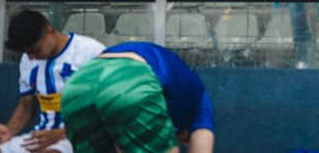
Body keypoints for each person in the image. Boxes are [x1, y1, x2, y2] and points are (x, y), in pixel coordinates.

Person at [0, 10, 105, 153]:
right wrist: (9, 131)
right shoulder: (28, 59)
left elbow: (105, 108)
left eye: (35, 50)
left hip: (81, 137)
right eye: (26, 52)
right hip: (41, 136)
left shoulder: (90, 51)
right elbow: (27, 105)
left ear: (50, 31)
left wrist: (60, 133)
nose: (31, 57)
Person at [60, 42, 215, 153]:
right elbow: (201, 144)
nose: (183, 142)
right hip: (127, 76)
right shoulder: (200, 103)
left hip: (79, 80)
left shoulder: (171, 96)